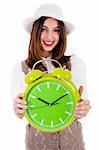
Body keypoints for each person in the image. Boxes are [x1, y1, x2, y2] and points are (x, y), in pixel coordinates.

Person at [12, 3, 91, 150]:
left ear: (61, 35)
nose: (50, 36)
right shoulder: (21, 68)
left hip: (72, 143)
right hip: (37, 144)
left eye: (56, 30)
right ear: (34, 32)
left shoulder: (74, 63)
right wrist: (17, 107)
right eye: (43, 29)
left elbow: (82, 101)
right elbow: (19, 106)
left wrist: (83, 107)